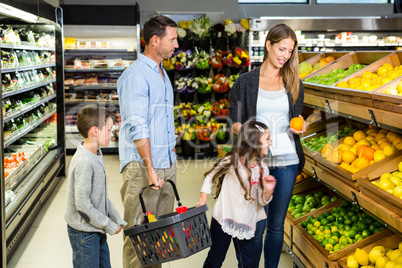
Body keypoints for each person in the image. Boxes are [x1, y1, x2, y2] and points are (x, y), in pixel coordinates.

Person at [228, 24, 308, 268]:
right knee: (256, 225)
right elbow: (233, 122)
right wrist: (253, 133)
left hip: (287, 162)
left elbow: (297, 119)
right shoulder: (245, 82)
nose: (284, 55)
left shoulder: (294, 82)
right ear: (268, 46)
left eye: (290, 51)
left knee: (276, 226)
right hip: (257, 162)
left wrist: (300, 127)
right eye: (281, 49)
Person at [117, 14, 179, 268]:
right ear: (155, 40)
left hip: (165, 163)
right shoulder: (136, 75)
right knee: (139, 235)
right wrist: (151, 169)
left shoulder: (162, 73)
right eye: (172, 39)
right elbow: (137, 125)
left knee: (161, 234)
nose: (177, 45)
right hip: (143, 167)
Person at [196, 120, 277, 268]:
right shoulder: (232, 161)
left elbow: (261, 201)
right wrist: (203, 199)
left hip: (246, 222)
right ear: (254, 142)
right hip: (223, 218)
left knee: (248, 264)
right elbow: (210, 177)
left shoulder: (262, 169)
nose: (270, 142)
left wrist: (268, 190)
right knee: (215, 259)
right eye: (267, 138)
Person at [65, 105, 127, 268]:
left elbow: (100, 196)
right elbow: (83, 206)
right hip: (84, 233)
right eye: (108, 129)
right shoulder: (84, 162)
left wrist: (117, 219)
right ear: (94, 131)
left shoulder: (96, 153)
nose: (111, 133)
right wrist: (109, 225)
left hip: (95, 227)